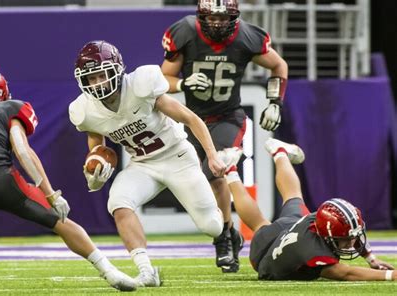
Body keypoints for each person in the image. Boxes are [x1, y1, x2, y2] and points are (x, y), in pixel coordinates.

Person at [0, 67, 137, 293]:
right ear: (0, 92)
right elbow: (23, 152)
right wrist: (50, 194)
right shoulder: (9, 108)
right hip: (5, 185)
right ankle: (110, 272)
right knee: (63, 224)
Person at [69, 40, 228, 287]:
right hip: (143, 164)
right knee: (118, 203)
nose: (98, 83)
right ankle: (146, 271)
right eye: (91, 78)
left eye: (102, 74)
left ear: (117, 69)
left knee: (211, 226)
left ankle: (227, 230)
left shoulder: (141, 85)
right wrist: (95, 164)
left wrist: (213, 154)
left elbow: (190, 117)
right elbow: (96, 139)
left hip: (177, 157)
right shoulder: (85, 110)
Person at [161, 0, 288, 272]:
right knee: (201, 181)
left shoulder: (246, 36)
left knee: (217, 170)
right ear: (201, 16)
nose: (217, 23)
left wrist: (275, 102)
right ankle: (228, 233)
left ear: (234, 17)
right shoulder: (185, 32)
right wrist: (183, 83)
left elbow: (279, 66)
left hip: (227, 117)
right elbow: (164, 79)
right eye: (212, 18)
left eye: (223, 18)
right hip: (193, 120)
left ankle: (224, 237)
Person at [229, 137, 395, 281]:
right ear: (326, 235)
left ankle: (279, 152)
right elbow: (346, 273)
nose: (351, 243)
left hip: (297, 228)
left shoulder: (318, 219)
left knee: (293, 195)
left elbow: (350, 231)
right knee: (259, 224)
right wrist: (391, 276)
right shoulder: (313, 252)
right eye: (344, 239)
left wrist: (371, 259)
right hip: (265, 252)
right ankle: (230, 171)